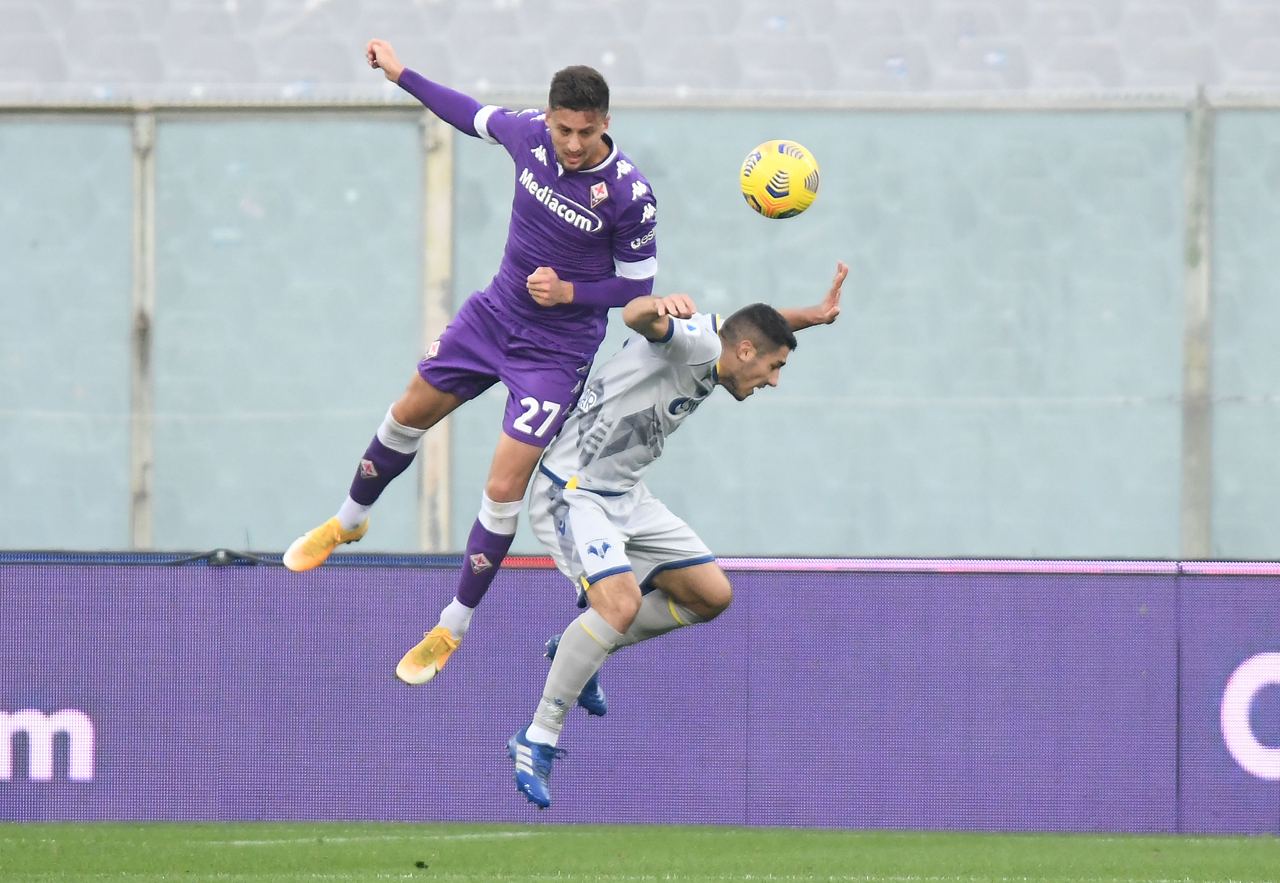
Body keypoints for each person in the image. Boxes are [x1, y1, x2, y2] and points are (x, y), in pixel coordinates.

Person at [282, 39, 660, 687]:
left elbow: (639, 289)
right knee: (407, 412)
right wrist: (400, 73)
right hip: (492, 318)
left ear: (606, 125)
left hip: (555, 354)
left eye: (585, 132)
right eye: (563, 128)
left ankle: (451, 625)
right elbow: (465, 112)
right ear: (548, 118)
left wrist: (571, 293)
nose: (571, 144)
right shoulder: (527, 136)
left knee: (502, 488)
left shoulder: (629, 195)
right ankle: (348, 522)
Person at [507, 262, 848, 809]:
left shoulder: (727, 342)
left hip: (625, 494)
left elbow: (750, 323)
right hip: (573, 491)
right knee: (616, 606)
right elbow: (636, 315)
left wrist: (811, 316)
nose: (774, 381)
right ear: (744, 353)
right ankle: (539, 734)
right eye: (774, 367)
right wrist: (656, 304)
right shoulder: (692, 341)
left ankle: (580, 650)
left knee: (710, 596)